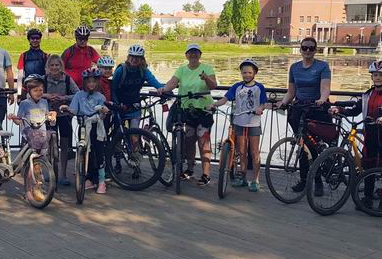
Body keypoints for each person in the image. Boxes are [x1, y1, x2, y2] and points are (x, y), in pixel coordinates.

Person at [330, 60, 382, 205]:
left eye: (381, 75)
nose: (378, 78)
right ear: (372, 77)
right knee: (368, 165)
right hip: (370, 134)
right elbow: (355, 110)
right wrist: (339, 109)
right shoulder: (367, 95)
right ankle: (367, 197)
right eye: (375, 75)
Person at [274, 37, 332, 195]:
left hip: (316, 109)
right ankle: (304, 180)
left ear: (315, 50)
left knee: (315, 148)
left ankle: (318, 181)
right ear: (300, 49)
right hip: (299, 109)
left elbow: (325, 87)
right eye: (304, 48)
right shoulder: (294, 68)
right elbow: (291, 91)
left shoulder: (322, 66)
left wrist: (322, 99)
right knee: (302, 147)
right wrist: (283, 102)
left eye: (311, 48)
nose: (307, 51)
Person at [159, 43, 217, 187]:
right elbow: (173, 83)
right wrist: (163, 89)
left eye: (196, 52)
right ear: (186, 55)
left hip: (204, 110)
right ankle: (190, 169)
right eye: (190, 52)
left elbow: (213, 86)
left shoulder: (207, 68)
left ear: (200, 55)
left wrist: (206, 78)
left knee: (203, 143)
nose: (193, 55)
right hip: (188, 110)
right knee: (190, 141)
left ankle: (206, 174)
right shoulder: (181, 70)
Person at [209, 59, 267, 192]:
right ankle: (243, 176)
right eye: (244, 72)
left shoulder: (259, 87)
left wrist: (260, 108)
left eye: (249, 72)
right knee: (242, 152)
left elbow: (263, 102)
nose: (246, 75)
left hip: (253, 123)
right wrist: (214, 104)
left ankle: (255, 180)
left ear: (254, 73)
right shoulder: (237, 87)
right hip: (239, 122)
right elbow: (225, 99)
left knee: (254, 152)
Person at [61, 67, 110, 194]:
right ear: (84, 83)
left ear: (98, 82)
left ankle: (101, 181)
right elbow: (74, 110)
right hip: (83, 125)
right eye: (88, 81)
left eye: (94, 81)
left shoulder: (100, 97)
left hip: (95, 127)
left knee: (98, 153)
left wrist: (104, 112)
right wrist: (67, 108)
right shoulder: (79, 95)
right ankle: (85, 176)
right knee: (82, 151)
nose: (91, 84)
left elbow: (103, 114)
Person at [44, 54, 79, 186]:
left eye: (57, 65)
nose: (54, 67)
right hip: (50, 115)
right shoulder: (44, 80)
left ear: (61, 66)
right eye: (52, 65)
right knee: (49, 144)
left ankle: (63, 174)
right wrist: (47, 96)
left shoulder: (68, 80)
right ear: (48, 67)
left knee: (64, 146)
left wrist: (64, 98)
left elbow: (77, 94)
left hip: (64, 115)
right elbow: (36, 92)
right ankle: (50, 171)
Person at [111, 45, 163, 130]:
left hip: (134, 107)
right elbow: (113, 89)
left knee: (134, 136)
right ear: (128, 57)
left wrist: (162, 89)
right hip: (120, 106)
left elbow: (153, 81)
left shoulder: (143, 71)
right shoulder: (121, 70)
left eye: (137, 57)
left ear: (142, 59)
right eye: (132, 56)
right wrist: (116, 104)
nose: (134, 59)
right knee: (118, 135)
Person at [9, 74, 56, 153]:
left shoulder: (44, 102)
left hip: (42, 134)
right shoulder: (24, 103)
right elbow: (19, 121)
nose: (38, 93)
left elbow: (48, 117)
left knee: (43, 154)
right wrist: (13, 118)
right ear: (29, 92)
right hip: (29, 135)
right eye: (35, 91)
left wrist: (52, 116)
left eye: (40, 90)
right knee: (30, 153)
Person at [17, 29, 48, 99]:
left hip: (41, 90)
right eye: (32, 38)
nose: (35, 40)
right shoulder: (24, 56)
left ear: (40, 39)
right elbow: (20, 76)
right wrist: (19, 93)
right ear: (29, 40)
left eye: (37, 38)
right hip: (27, 90)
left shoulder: (45, 56)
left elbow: (47, 75)